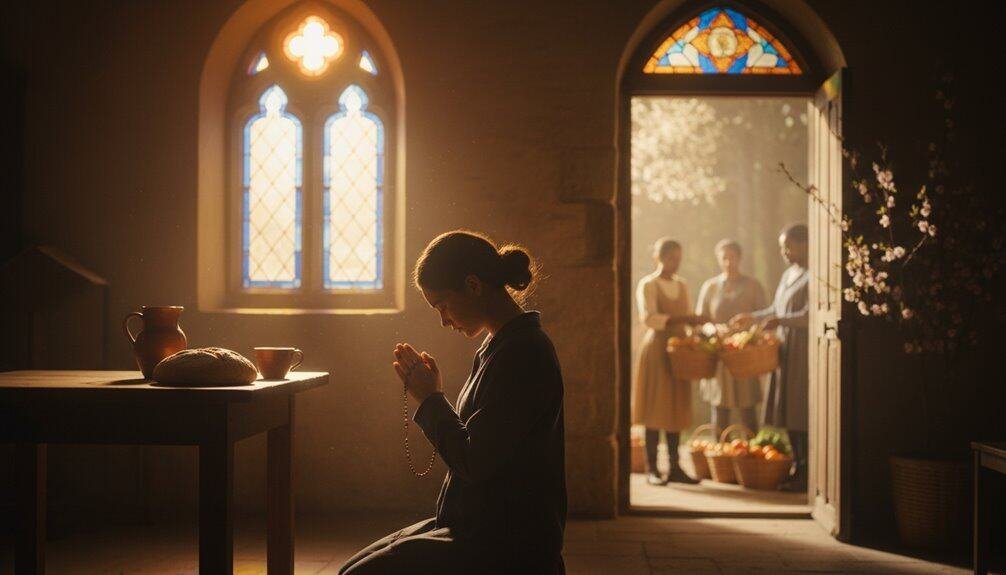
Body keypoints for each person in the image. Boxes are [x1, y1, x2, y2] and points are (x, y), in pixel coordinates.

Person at [339, 230, 566, 575]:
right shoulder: (497, 346)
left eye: (443, 305)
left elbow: (474, 462)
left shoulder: (523, 352)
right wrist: (435, 394)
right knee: (352, 568)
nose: (444, 320)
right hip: (476, 524)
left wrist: (431, 399)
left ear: (473, 286)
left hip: (508, 542)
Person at [731, 224, 809, 491]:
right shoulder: (788, 274)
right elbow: (775, 308)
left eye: (789, 246)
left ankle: (807, 469)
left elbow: (809, 316)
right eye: (782, 247)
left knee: (800, 408)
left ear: (805, 244)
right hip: (784, 349)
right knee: (786, 407)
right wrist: (753, 317)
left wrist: (780, 321)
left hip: (803, 350)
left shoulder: (814, 276)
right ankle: (796, 464)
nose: (784, 252)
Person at [632, 238, 708, 486]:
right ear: (659, 258)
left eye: (678, 258)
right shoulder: (649, 284)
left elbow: (688, 319)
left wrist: (696, 335)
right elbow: (650, 318)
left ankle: (674, 466)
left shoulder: (682, 285)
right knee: (656, 406)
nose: (675, 263)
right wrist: (685, 318)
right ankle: (652, 468)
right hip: (657, 350)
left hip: (679, 350)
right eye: (671, 258)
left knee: (675, 406)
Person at [695, 239, 767, 433]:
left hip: (744, 353)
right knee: (720, 408)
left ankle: (752, 454)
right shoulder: (710, 287)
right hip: (718, 353)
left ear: (739, 258)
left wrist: (748, 330)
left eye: (732, 257)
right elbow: (701, 320)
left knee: (748, 408)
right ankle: (720, 455)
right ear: (719, 259)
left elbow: (764, 317)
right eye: (724, 258)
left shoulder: (753, 285)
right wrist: (714, 330)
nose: (728, 262)